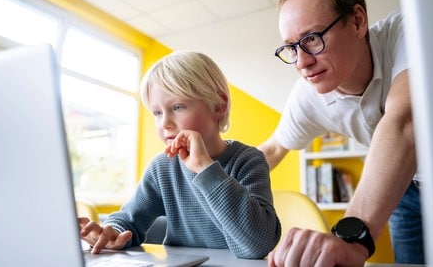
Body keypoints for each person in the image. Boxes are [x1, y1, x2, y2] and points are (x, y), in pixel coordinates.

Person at [258, 0, 423, 265]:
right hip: (404, 191)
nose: (301, 63)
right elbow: (274, 148)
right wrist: (208, 180)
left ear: (357, 21)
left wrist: (351, 238)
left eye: (311, 38)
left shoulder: (410, 31)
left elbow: (405, 123)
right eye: (290, 48)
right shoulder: (308, 95)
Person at [78, 51, 281, 259]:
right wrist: (112, 231)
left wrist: (205, 168)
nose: (164, 123)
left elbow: (258, 244)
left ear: (219, 106)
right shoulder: (162, 168)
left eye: (177, 107)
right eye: (157, 113)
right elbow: (129, 219)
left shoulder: (248, 160)